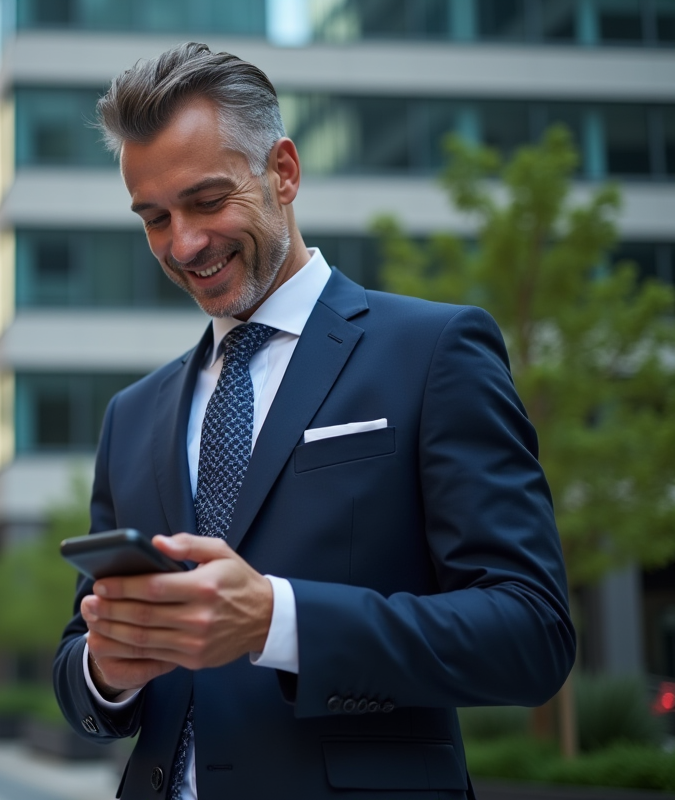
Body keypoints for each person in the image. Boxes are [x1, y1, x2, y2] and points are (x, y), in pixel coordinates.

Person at [51, 42, 574, 800]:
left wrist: (277, 621)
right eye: (155, 217)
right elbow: (80, 661)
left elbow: (531, 634)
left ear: (284, 173)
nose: (183, 244)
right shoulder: (132, 417)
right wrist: (107, 669)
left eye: (207, 201)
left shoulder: (433, 352)